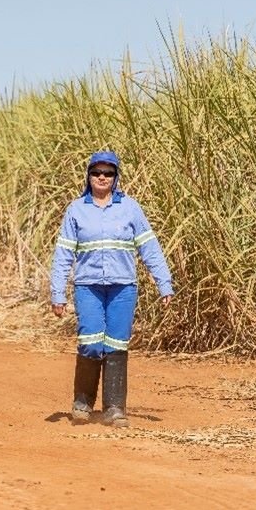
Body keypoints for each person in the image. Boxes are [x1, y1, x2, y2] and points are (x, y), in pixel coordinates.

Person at [50, 151, 173, 428]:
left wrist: (163, 282)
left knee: (116, 345)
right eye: (97, 173)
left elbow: (149, 247)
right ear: (89, 176)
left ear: (116, 177)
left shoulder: (130, 208)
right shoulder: (76, 209)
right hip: (88, 287)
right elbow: (63, 254)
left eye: (108, 173)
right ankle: (82, 401)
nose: (102, 178)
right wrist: (57, 293)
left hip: (123, 288)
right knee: (92, 343)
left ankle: (115, 408)